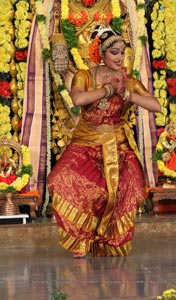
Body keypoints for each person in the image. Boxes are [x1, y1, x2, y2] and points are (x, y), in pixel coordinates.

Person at [47, 27, 161, 258]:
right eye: (114, 53)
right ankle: (82, 238)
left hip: (117, 143)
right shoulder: (85, 75)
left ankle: (109, 241)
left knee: (124, 190)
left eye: (122, 53)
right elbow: (78, 98)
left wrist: (126, 94)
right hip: (86, 141)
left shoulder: (128, 81)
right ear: (101, 53)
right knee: (60, 180)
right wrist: (109, 90)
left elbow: (155, 105)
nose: (120, 58)